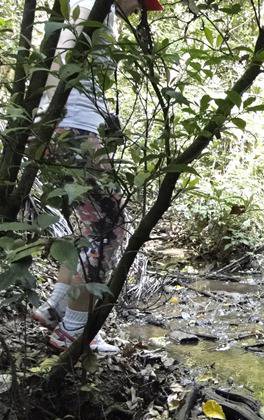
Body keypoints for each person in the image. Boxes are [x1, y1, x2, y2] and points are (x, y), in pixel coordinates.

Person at [30, 0, 163, 353]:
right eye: (141, 3)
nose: (139, 11)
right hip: (73, 130)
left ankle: (56, 308)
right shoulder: (96, 6)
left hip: (59, 126)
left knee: (88, 230)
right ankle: (75, 330)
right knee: (108, 231)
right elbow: (67, 54)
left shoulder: (85, 5)